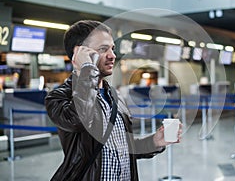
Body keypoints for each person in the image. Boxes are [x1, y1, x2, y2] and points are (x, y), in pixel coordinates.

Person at [45, 20, 181, 181]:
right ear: (79, 53)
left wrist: (154, 142)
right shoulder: (58, 97)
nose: (113, 56)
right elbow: (78, 120)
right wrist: (88, 69)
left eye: (112, 49)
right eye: (103, 49)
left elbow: (124, 147)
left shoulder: (115, 96)